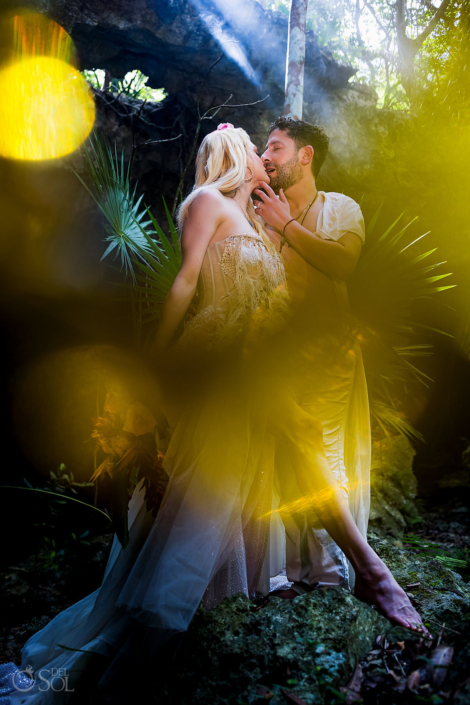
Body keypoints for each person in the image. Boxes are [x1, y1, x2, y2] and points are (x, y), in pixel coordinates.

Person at [1, 122, 428, 705]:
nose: (263, 158)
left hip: (252, 360)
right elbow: (185, 283)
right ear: (233, 154)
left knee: (239, 475)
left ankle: (323, 575)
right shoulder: (205, 202)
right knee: (261, 463)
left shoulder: (255, 219)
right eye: (257, 148)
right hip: (221, 358)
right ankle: (369, 574)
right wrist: (154, 364)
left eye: (270, 148)